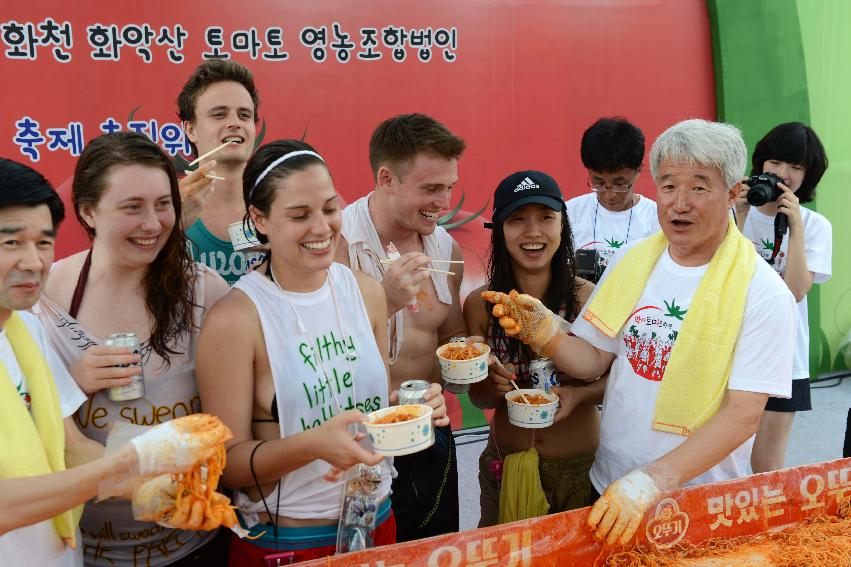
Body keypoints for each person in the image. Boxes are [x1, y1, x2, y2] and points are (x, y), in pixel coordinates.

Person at [482, 119, 796, 545]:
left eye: (699, 187)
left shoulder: (763, 293)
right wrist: (547, 333)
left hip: (697, 496)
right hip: (611, 480)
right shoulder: (634, 262)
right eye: (668, 186)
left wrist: (652, 481)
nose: (679, 203)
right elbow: (593, 358)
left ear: (734, 193)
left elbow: (744, 414)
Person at [195, 139, 448, 565]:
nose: (321, 228)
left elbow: (364, 405)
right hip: (288, 540)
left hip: (377, 520)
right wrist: (313, 445)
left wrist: (410, 408)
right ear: (259, 218)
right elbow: (227, 464)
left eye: (330, 209)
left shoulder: (364, 292)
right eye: (299, 215)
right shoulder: (236, 319)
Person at [0, 158, 222, 567]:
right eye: (11, 243)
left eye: (43, 242)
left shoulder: (24, 329)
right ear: (89, 213)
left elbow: (72, 448)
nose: (32, 262)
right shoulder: (43, 311)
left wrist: (167, 490)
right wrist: (127, 467)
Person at [336, 113, 467, 541]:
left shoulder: (445, 246)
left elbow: (449, 338)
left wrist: (476, 363)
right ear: (387, 178)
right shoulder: (337, 243)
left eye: (449, 186)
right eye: (431, 188)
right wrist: (385, 302)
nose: (444, 202)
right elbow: (319, 355)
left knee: (436, 552)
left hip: (430, 434)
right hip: (358, 444)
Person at [465, 170, 606, 526]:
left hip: (581, 467)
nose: (533, 232)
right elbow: (480, 400)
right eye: (517, 220)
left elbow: (618, 379)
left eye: (546, 218)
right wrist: (488, 385)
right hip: (506, 463)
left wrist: (579, 396)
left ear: (563, 226)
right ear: (499, 231)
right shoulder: (480, 304)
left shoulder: (587, 299)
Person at [735, 122, 832, 473]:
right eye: (775, 163)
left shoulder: (815, 226)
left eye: (796, 167)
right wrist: (741, 217)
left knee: (767, 466)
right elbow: (729, 280)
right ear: (760, 164)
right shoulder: (732, 214)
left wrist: (796, 228)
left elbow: (794, 291)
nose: (783, 174)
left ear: (808, 176)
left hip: (784, 359)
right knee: (721, 462)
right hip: (732, 351)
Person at [178, 59, 263, 285]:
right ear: (190, 129)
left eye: (244, 115)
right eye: (219, 114)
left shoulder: (278, 206)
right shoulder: (166, 209)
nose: (234, 123)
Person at [566, 117, 660, 282]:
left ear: (639, 170)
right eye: (598, 183)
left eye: (620, 184)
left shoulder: (657, 220)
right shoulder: (569, 214)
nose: (609, 195)